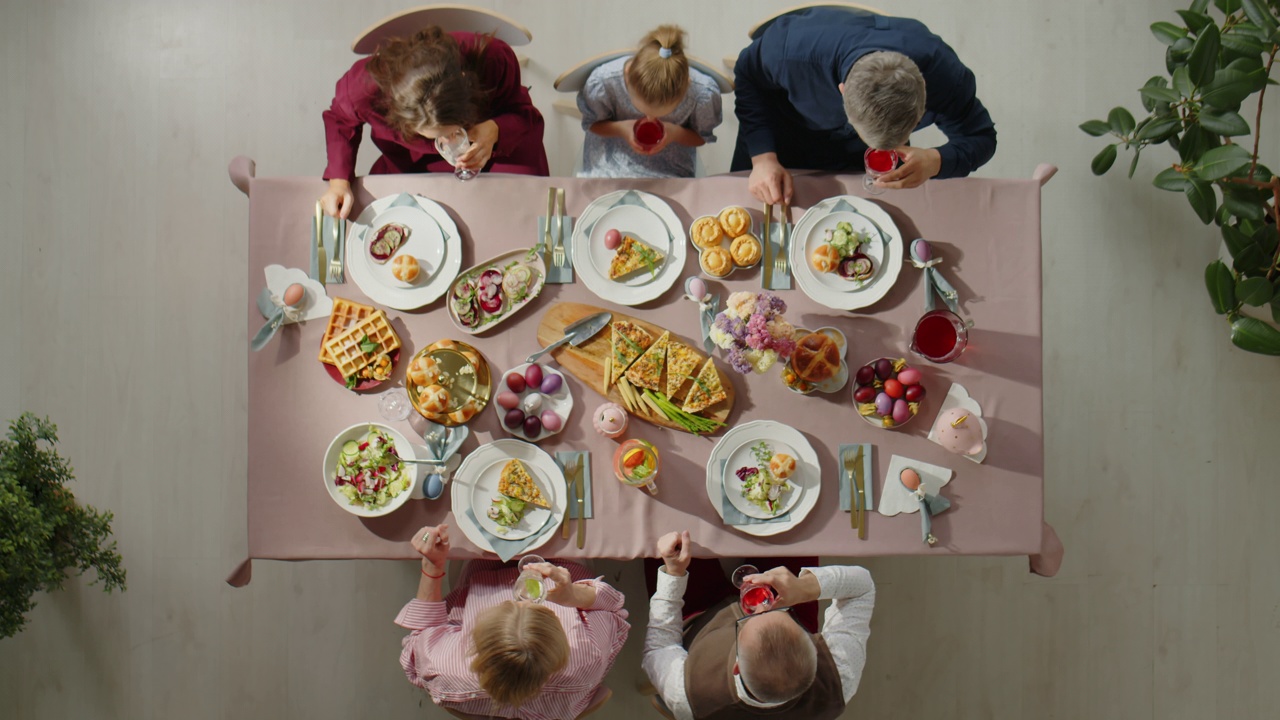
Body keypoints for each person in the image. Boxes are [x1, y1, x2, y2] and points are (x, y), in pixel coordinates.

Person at [732, 7, 997, 203]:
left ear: (924, 94)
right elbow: (746, 76)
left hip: (854, 158)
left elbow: (981, 137)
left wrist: (936, 160)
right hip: (780, 135)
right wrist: (763, 158)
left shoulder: (944, 75)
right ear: (842, 91)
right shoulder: (791, 52)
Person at [396, 525, 630, 719]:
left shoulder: (443, 667)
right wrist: (572, 595)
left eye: (507, 605)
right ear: (561, 649)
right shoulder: (586, 657)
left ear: (474, 642)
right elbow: (615, 609)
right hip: (563, 565)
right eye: (541, 610)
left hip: (479, 567)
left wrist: (432, 567)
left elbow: (422, 634)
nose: (521, 594)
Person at [643, 531, 875, 720]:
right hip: (789, 598)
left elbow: (659, 648)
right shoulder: (840, 677)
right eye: (778, 616)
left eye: (744, 625)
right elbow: (862, 588)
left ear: (736, 667)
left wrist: (673, 574)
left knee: (666, 533)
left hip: (705, 618)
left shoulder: (688, 695)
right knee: (791, 522)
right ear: (813, 647)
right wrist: (804, 587)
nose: (759, 607)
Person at [321, 27, 549, 218]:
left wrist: (495, 129)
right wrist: (339, 183)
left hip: (495, 148)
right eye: (437, 135)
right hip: (410, 160)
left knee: (521, 210)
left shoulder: (492, 57)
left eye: (450, 132)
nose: (448, 142)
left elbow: (520, 111)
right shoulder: (363, 88)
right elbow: (340, 119)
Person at [576, 25, 722, 178]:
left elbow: (701, 137)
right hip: (609, 167)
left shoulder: (701, 94)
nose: (650, 119)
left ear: (687, 84)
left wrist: (674, 133)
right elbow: (591, 124)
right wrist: (621, 129)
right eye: (643, 110)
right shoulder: (604, 82)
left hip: (670, 170)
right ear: (627, 75)